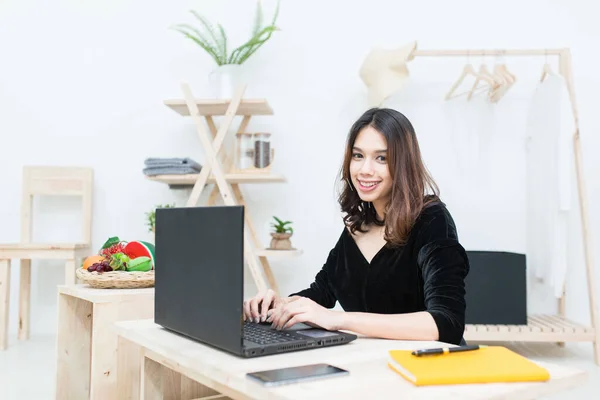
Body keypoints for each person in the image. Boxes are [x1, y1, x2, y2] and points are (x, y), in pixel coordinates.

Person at [243, 107, 470, 346]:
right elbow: (321, 294)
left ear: (403, 164)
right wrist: (279, 305)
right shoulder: (357, 227)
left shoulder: (432, 220)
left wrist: (337, 320)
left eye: (381, 158)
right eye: (358, 155)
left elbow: (447, 323)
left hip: (425, 371)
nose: (365, 170)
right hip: (372, 365)